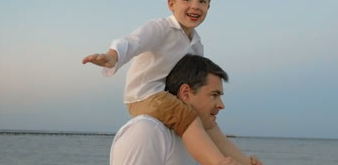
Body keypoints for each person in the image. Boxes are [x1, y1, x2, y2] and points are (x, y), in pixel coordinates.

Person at [82, 0, 259, 165]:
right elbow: (132, 42)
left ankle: (246, 162)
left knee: (209, 125)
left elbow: (195, 79)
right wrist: (112, 56)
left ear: (209, 7)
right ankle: (218, 163)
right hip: (146, 95)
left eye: (202, 1)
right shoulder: (161, 28)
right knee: (190, 119)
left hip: (170, 96)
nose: (195, 6)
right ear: (171, 4)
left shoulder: (196, 44)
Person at [110, 54, 260, 165]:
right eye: (214, 95)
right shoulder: (147, 131)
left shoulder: (199, 141)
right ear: (186, 93)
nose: (221, 105)